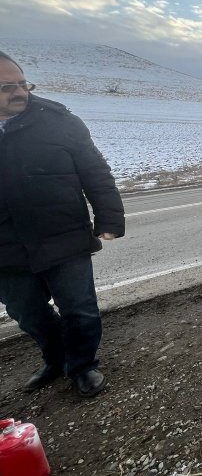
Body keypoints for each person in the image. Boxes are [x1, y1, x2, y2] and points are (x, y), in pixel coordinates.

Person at [0, 51, 125, 397]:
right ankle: (56, 359)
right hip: (5, 245)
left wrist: (110, 218)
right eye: (7, 87)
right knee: (29, 314)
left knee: (79, 309)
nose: (20, 92)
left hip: (62, 234)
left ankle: (83, 365)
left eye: (23, 84)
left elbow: (96, 173)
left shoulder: (59, 121)